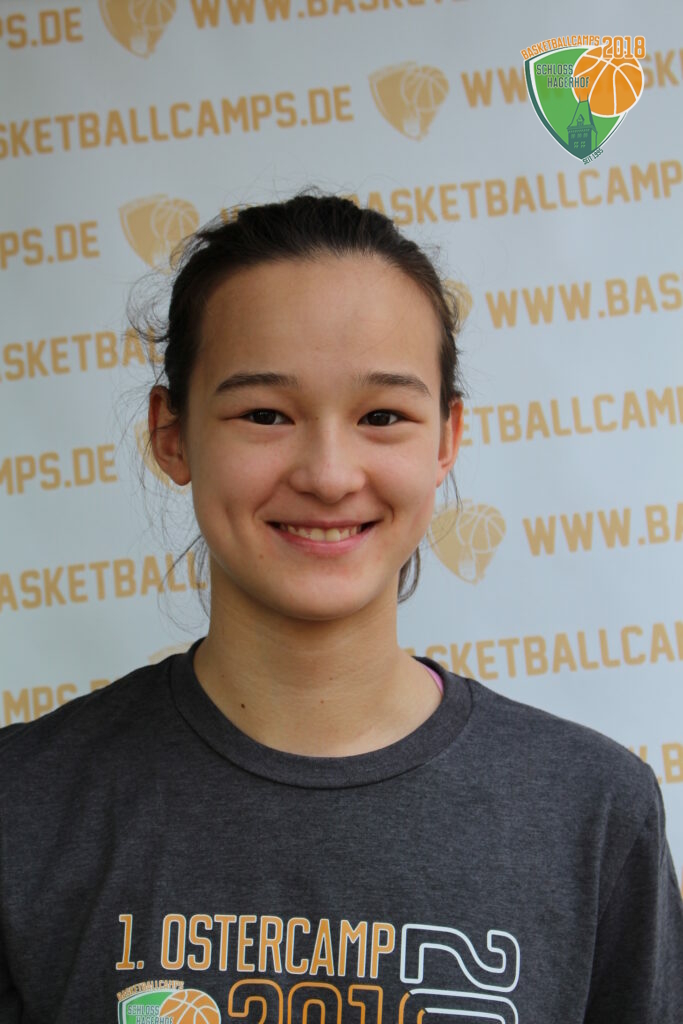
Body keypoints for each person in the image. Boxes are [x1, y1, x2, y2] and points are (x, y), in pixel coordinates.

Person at [0, 193, 681, 1024]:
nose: (327, 475)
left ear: (445, 440)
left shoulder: (593, 812)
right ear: (171, 435)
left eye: (381, 416)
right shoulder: (23, 806)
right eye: (264, 414)